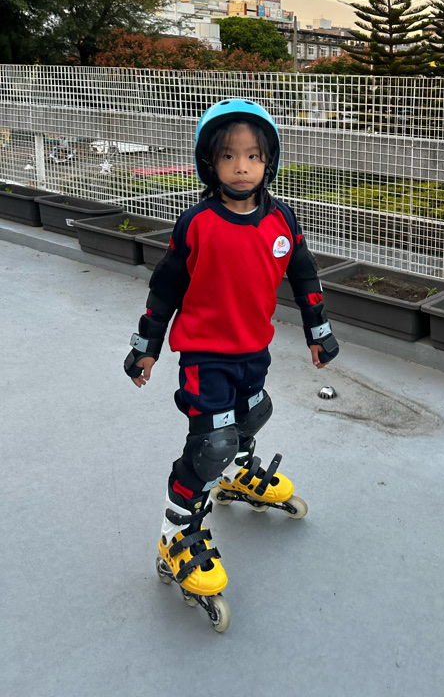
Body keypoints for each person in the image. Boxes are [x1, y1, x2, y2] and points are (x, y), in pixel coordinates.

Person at [124, 99, 339, 618]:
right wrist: (147, 346)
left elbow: (303, 274)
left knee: (253, 414)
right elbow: (165, 287)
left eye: (253, 156)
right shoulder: (196, 223)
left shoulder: (281, 219)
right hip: (205, 355)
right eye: (228, 156)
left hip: (253, 348)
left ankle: (237, 472)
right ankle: (175, 534)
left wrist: (318, 329)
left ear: (269, 161)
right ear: (210, 163)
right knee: (210, 443)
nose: (242, 166)